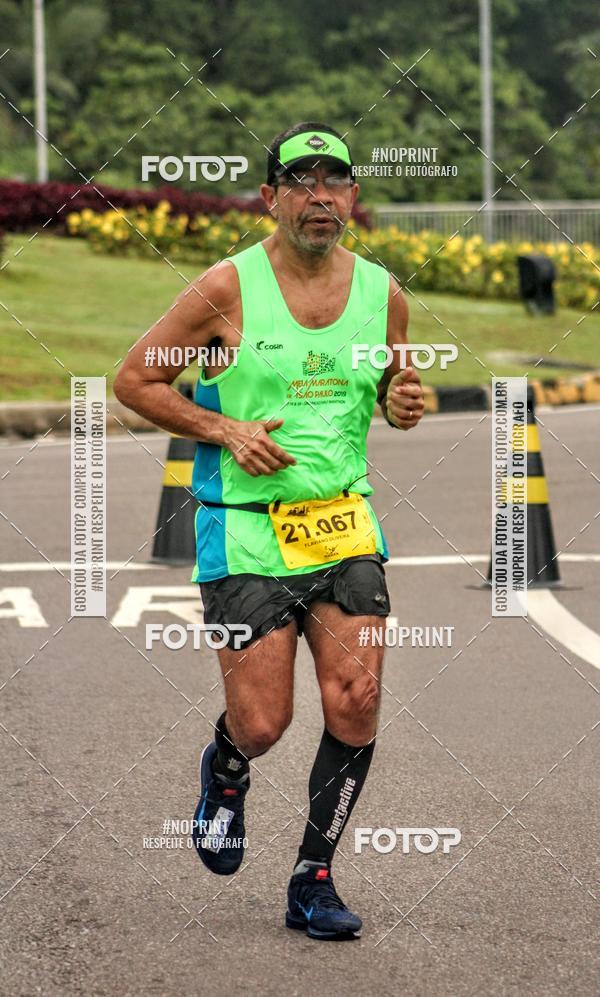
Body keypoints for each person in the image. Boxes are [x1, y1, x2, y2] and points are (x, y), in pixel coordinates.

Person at [114, 121, 425, 941]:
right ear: (271, 196)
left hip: (343, 525)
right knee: (263, 724)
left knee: (356, 703)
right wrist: (224, 430)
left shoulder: (382, 291)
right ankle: (226, 767)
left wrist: (403, 404)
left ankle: (313, 877)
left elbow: (397, 386)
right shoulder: (227, 287)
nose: (320, 196)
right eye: (302, 181)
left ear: (353, 197)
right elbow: (134, 378)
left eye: (335, 182)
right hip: (246, 532)